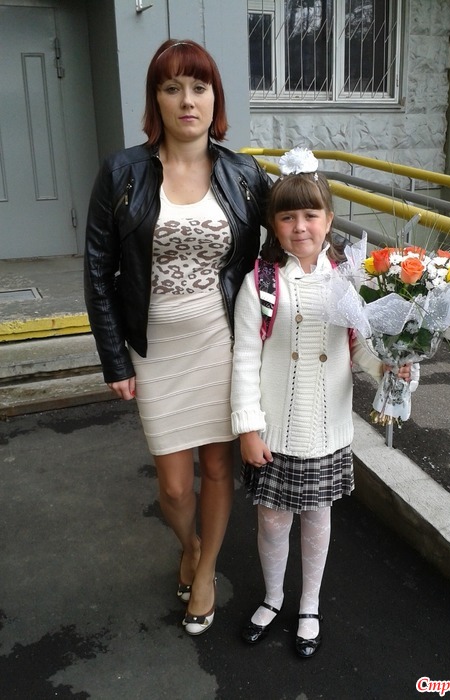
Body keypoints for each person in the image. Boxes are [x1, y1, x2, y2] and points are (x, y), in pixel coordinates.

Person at [84, 39, 271, 636]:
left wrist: (355, 303)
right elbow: (98, 269)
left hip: (221, 340)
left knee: (217, 468)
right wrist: (114, 359)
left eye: (198, 87)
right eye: (172, 88)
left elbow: (283, 252)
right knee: (172, 484)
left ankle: (206, 568)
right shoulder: (122, 171)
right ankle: (187, 543)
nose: (187, 100)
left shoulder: (244, 174)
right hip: (155, 346)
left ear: (215, 98)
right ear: (156, 100)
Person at [230, 148, 412, 657]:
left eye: (311, 214)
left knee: (317, 517)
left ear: (329, 219)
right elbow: (244, 358)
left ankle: (308, 603)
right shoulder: (260, 282)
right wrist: (248, 427)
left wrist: (391, 366)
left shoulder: (350, 279)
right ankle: (273, 596)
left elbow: (360, 347)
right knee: (272, 520)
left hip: (326, 429)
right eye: (287, 216)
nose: (300, 226)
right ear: (274, 224)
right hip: (274, 430)